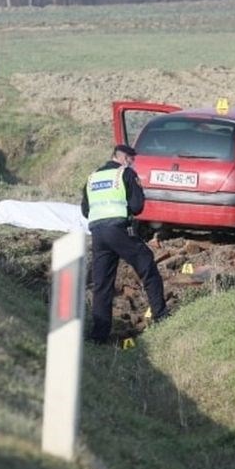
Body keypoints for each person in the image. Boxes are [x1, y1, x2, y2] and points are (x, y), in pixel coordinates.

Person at [80, 143, 169, 344]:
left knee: (102, 284)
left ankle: (99, 336)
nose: (132, 162)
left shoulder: (92, 177)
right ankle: (161, 315)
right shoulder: (125, 174)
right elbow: (137, 206)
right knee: (147, 264)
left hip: (98, 234)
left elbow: (85, 210)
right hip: (119, 230)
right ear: (123, 158)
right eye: (131, 159)